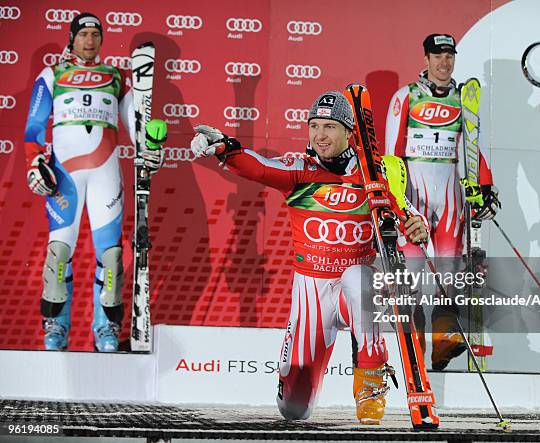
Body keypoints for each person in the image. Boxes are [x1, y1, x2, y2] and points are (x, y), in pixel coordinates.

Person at [191, 91, 429, 424]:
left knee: (358, 277)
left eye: (330, 126)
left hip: (355, 289)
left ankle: (371, 381)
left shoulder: (374, 176)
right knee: (294, 408)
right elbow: (258, 167)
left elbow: (408, 220)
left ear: (349, 132)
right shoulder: (299, 171)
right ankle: (298, 386)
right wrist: (224, 148)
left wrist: (418, 228)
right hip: (311, 296)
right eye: (314, 126)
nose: (320, 135)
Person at [24, 12, 167, 352]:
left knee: (112, 256)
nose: (89, 41)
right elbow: (33, 127)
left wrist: (150, 146)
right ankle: (56, 325)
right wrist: (34, 162)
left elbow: (136, 127)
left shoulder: (116, 76)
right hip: (65, 176)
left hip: (105, 171)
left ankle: (106, 328)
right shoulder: (53, 74)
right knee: (59, 254)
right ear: (72, 38)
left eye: (95, 34)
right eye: (83, 34)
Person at [385, 34, 500, 370]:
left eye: (449, 55)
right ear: (426, 58)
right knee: (415, 272)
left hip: (449, 188)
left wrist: (486, 186)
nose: (444, 62)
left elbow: (472, 147)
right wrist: (396, 203)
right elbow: (392, 153)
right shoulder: (406, 96)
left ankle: (442, 345)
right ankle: (413, 345)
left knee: (448, 272)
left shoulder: (464, 98)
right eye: (437, 55)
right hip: (414, 190)